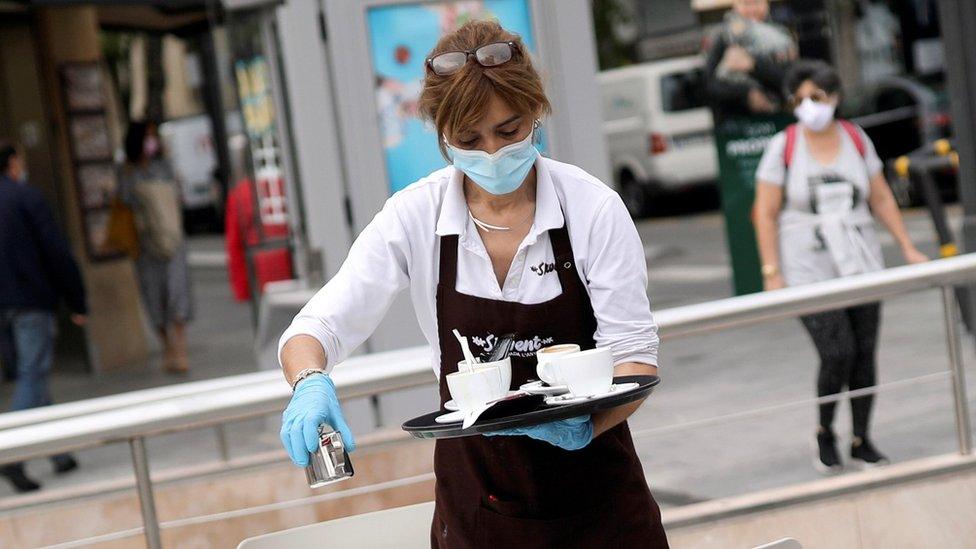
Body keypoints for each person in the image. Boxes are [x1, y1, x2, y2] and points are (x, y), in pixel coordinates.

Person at [278, 21, 668, 547]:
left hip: (603, 511)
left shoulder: (591, 208)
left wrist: (583, 427)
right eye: (468, 139)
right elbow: (318, 326)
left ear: (536, 112)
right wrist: (309, 383)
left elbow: (636, 359)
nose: (491, 153)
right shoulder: (414, 216)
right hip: (479, 515)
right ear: (443, 137)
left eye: (508, 131)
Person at [752, 61, 928, 474]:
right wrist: (771, 271)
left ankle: (862, 438)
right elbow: (765, 211)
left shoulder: (854, 137)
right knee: (837, 352)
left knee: (864, 353)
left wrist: (907, 246)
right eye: (799, 99)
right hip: (807, 266)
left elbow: (881, 197)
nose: (808, 106)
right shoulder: (785, 145)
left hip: (859, 260)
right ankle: (825, 432)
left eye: (816, 97)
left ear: (834, 97)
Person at [0, 143, 84, 492]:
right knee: (32, 376)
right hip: (30, 301)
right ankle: (11, 456)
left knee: (34, 372)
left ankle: (58, 452)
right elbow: (56, 251)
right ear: (12, 163)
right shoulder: (25, 198)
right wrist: (77, 300)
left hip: (5, 306)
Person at [118, 121, 193, 374]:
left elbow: (177, 196)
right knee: (154, 298)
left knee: (177, 294)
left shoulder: (165, 165)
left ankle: (180, 349)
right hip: (146, 246)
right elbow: (124, 200)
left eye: (154, 136)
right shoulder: (126, 171)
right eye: (147, 137)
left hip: (172, 240)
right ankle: (167, 348)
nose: (151, 142)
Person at [703, 0, 796, 118]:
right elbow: (709, 85)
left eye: (756, 3)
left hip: (780, 116)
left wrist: (753, 65)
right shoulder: (722, 36)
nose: (752, 9)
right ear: (735, 5)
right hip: (734, 122)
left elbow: (792, 79)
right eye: (746, 4)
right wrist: (748, 92)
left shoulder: (782, 36)